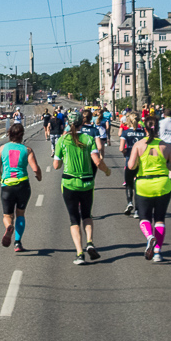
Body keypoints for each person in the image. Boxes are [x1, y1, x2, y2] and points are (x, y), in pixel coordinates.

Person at [54, 110, 111, 264]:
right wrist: (107, 171)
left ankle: (79, 253)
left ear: (68, 123)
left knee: (74, 219)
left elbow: (56, 165)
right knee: (87, 215)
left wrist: (64, 158)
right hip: (87, 183)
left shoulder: (62, 140)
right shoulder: (88, 138)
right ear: (81, 123)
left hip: (69, 183)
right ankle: (90, 242)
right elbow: (97, 161)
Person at [127, 115, 171, 263]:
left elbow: (131, 166)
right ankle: (157, 251)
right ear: (158, 129)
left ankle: (149, 237)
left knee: (144, 217)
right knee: (159, 219)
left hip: (144, 185)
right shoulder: (166, 146)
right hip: (163, 185)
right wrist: (167, 164)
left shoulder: (138, 145)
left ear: (144, 128)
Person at [0, 123, 42, 253]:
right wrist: (39, 177)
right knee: (20, 213)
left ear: (9, 134)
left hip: (7, 186)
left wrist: (1, 177)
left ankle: (9, 226)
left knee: (7, 215)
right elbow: (35, 169)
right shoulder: (27, 150)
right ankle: (17, 242)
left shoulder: (2, 148)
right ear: (22, 135)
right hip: (22, 185)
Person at [120, 113, 142, 215]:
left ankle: (129, 202)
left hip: (130, 160)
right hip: (140, 161)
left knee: (129, 184)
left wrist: (125, 152)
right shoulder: (143, 133)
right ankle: (137, 210)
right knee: (137, 185)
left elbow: (121, 148)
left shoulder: (125, 133)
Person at [158, 107, 171, 180]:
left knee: (162, 162)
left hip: (163, 143)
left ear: (164, 114)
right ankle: (170, 180)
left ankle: (162, 177)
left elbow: (158, 133)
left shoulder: (160, 122)